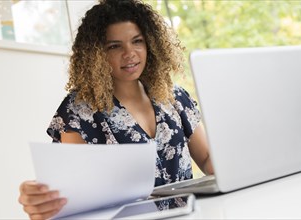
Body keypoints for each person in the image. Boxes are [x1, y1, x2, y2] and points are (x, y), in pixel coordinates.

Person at [18, 0, 214, 219]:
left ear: (150, 43)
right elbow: (72, 193)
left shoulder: (174, 96)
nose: (130, 53)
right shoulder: (78, 111)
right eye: (115, 46)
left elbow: (207, 158)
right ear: (96, 54)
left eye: (137, 41)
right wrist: (42, 197)